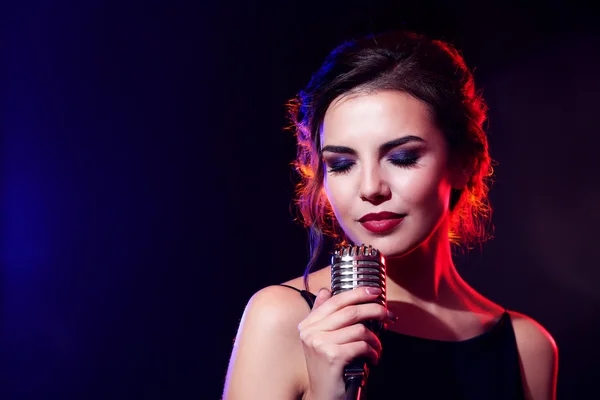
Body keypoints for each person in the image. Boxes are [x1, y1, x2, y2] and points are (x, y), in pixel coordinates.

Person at [222, 31, 558, 400]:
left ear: (464, 162)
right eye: (342, 164)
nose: (370, 188)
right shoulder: (281, 319)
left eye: (402, 158)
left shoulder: (526, 348)